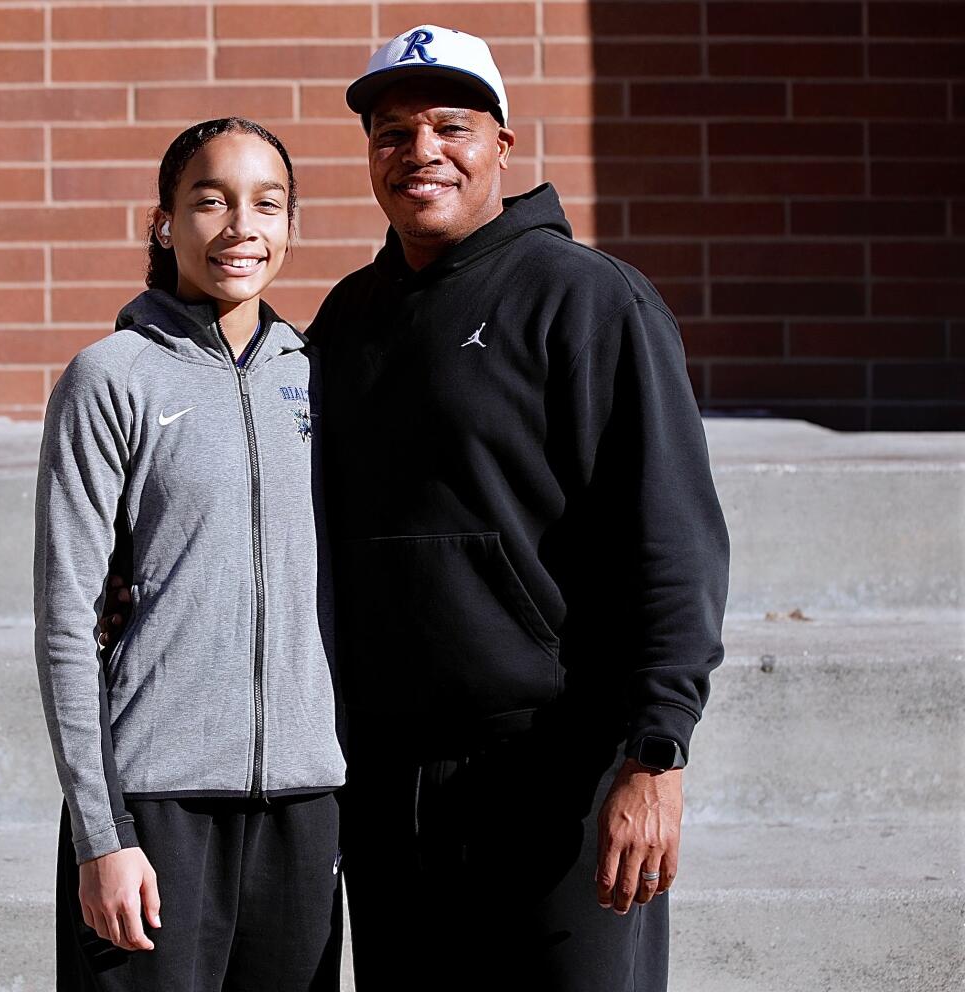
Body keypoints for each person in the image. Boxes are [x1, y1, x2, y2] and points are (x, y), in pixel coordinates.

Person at [308, 26, 730, 991]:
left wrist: (656, 755)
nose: (421, 153)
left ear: (503, 143)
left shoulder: (589, 301)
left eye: (451, 126)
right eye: (392, 133)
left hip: (557, 777)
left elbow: (670, 537)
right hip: (385, 781)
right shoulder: (347, 319)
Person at [34, 117, 345, 992]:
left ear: (291, 225)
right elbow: (65, 621)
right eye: (210, 201)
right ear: (164, 221)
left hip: (305, 801)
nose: (241, 226)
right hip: (155, 804)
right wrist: (104, 835)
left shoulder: (322, 376)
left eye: (267, 204)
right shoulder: (112, 377)